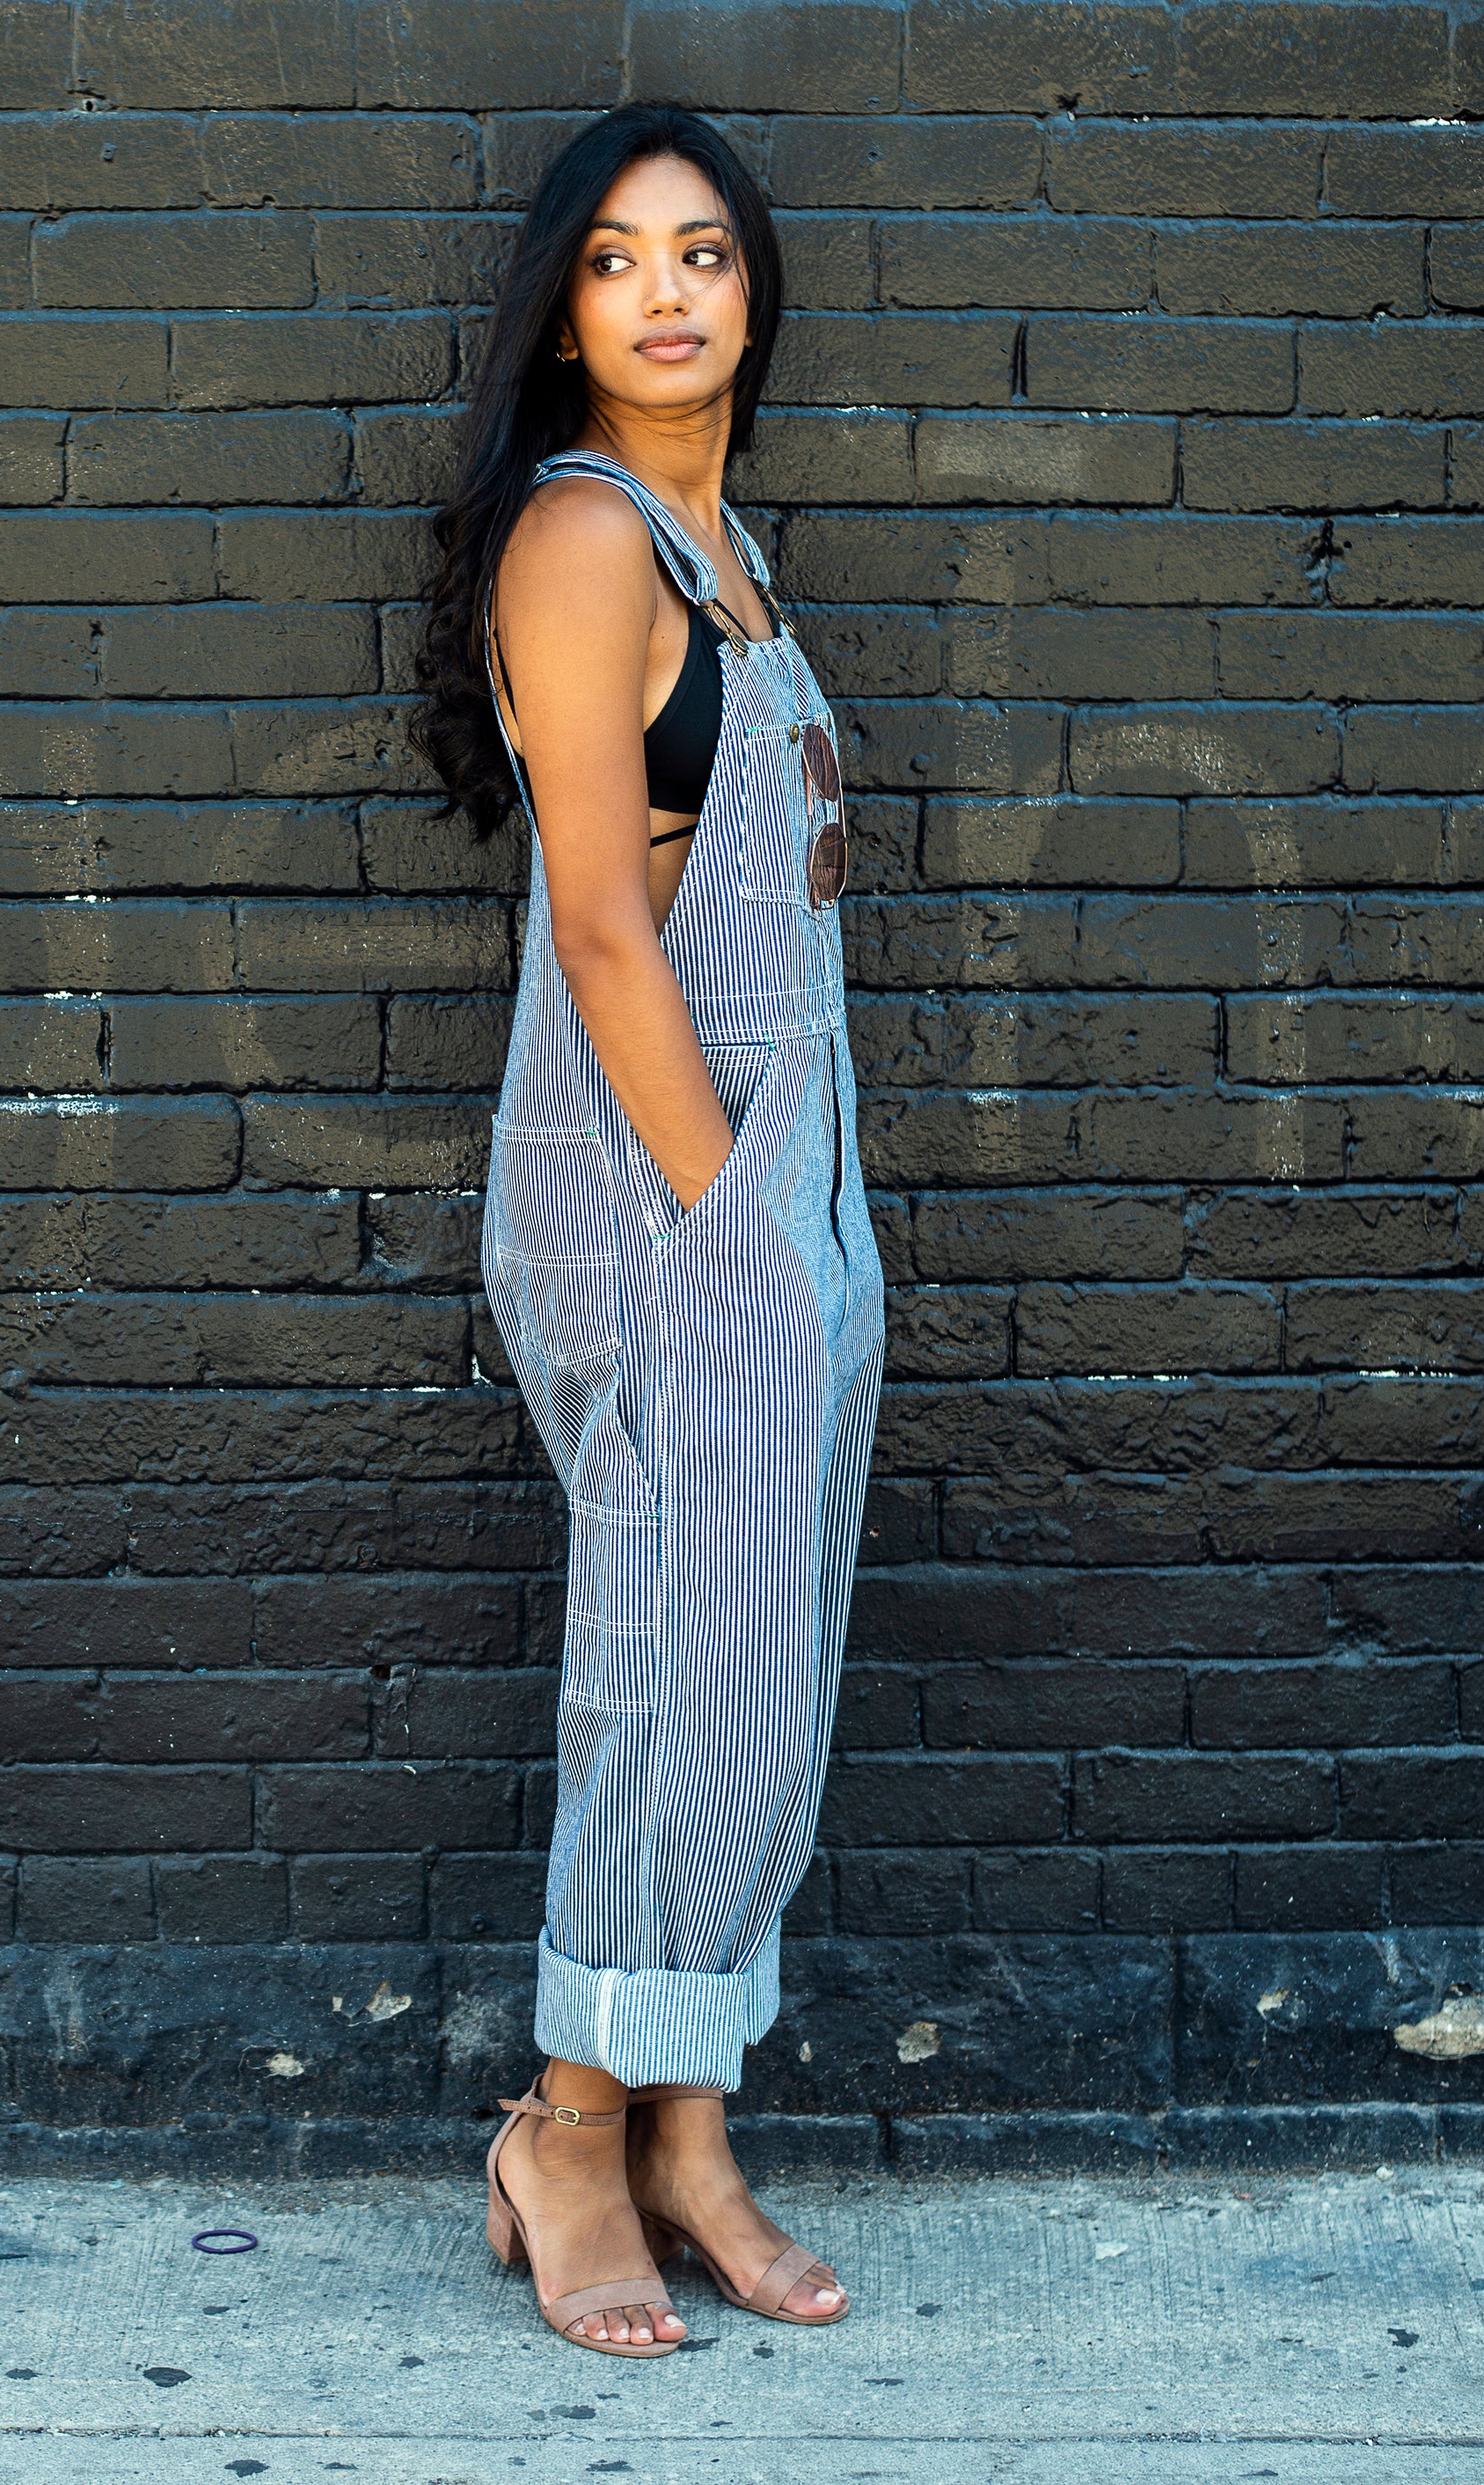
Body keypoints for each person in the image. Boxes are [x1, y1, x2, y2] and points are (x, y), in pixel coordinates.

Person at [410, 102, 886, 2360]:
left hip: (778, 1186)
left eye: (701, 253)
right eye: (613, 260)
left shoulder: (731, 550)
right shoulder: (585, 542)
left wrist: (793, 1232)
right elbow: (603, 930)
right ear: (564, 308)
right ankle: (569, 2132)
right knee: (662, 1666)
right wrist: (724, 1230)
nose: (666, 293)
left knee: (746, 1677)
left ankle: (691, 2128)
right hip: (652, 1192)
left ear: (751, 293)